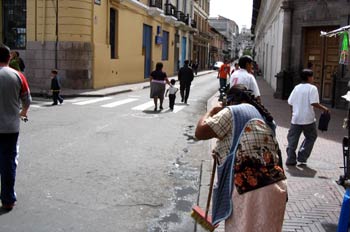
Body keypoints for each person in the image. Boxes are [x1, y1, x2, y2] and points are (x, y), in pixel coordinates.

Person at [195, 84, 287, 231]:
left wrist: (212, 110)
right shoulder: (262, 115)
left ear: (231, 101)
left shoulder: (234, 111)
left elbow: (200, 131)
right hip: (276, 188)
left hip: (251, 192)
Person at [0, 44, 31, 210]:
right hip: (10, 127)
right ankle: (8, 199)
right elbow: (27, 100)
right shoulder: (18, 76)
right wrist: (23, 113)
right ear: (9, 58)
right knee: (8, 162)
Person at [285, 69, 330, 166]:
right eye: (312, 76)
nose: (313, 78)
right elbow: (313, 102)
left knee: (292, 139)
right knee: (311, 137)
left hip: (296, 118)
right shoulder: (312, 88)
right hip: (308, 119)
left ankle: (290, 159)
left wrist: (293, 113)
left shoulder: (296, 88)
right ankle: (302, 155)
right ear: (309, 77)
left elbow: (290, 102)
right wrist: (324, 108)